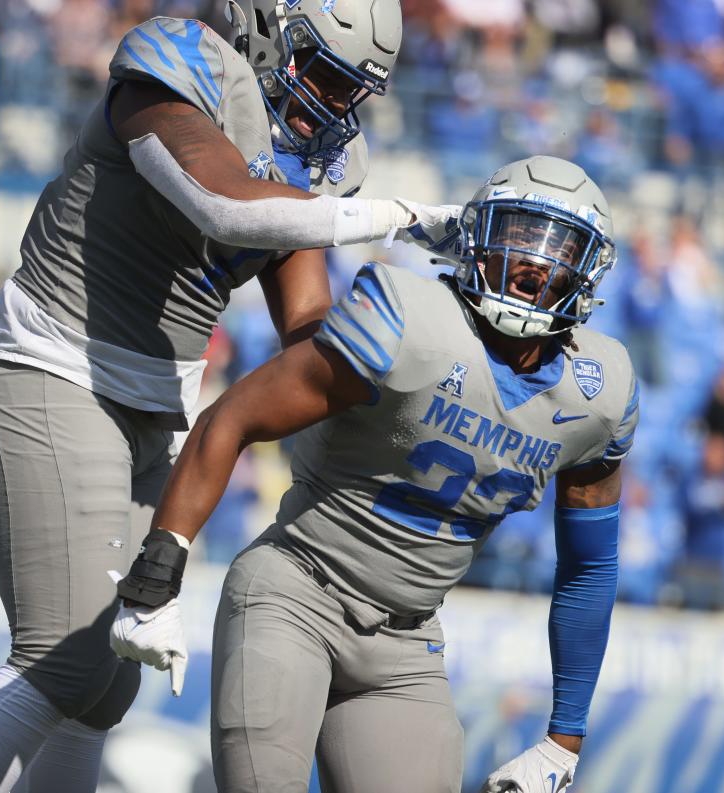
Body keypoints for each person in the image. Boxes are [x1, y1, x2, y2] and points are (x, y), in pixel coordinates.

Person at [0, 0, 457, 790]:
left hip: (154, 400)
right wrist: (398, 219)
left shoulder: (319, 161)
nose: (334, 109)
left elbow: (305, 316)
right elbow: (218, 199)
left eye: (352, 92)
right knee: (61, 658)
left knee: (106, 683)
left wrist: (405, 352)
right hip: (53, 359)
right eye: (320, 77)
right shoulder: (175, 63)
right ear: (262, 30)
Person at [112, 156, 639, 793]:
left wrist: (563, 740)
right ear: (478, 238)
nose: (534, 261)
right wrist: (157, 575)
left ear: (588, 273)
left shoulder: (599, 394)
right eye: (520, 233)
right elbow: (232, 417)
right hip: (296, 592)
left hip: (407, 638)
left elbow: (589, 567)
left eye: (558, 246)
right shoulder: (407, 318)